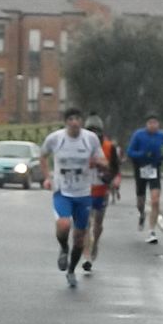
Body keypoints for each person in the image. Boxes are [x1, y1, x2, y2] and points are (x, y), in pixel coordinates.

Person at [40, 108, 108, 287]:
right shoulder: (56, 138)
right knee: (63, 224)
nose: (74, 122)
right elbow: (43, 155)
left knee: (79, 237)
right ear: (65, 122)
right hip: (62, 191)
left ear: (82, 121)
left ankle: (71, 270)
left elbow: (104, 162)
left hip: (84, 193)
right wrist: (47, 177)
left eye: (77, 118)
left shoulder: (90, 139)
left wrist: (98, 163)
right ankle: (63, 248)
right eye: (70, 119)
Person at [81, 113, 120, 273]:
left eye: (96, 131)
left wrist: (108, 176)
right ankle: (87, 256)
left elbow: (115, 168)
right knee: (85, 224)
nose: (93, 134)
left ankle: (95, 242)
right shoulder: (80, 145)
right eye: (90, 131)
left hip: (101, 190)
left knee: (98, 223)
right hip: (84, 190)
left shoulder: (109, 147)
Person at [126, 113, 163, 244]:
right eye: (150, 123)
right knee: (140, 201)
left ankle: (152, 231)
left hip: (154, 168)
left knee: (155, 200)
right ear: (146, 124)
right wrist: (141, 154)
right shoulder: (138, 135)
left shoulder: (161, 135)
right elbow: (130, 151)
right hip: (140, 168)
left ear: (158, 124)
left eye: (155, 123)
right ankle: (141, 214)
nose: (153, 125)